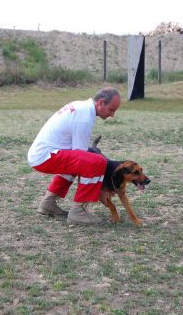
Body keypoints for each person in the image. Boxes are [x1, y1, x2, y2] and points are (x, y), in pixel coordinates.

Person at [27, 87, 121, 225]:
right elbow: (83, 160)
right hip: (45, 156)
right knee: (98, 162)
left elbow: (79, 155)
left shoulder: (82, 108)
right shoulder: (84, 117)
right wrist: (100, 188)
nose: (112, 115)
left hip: (42, 154)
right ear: (101, 103)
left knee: (85, 160)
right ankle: (78, 211)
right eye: (111, 109)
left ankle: (48, 203)